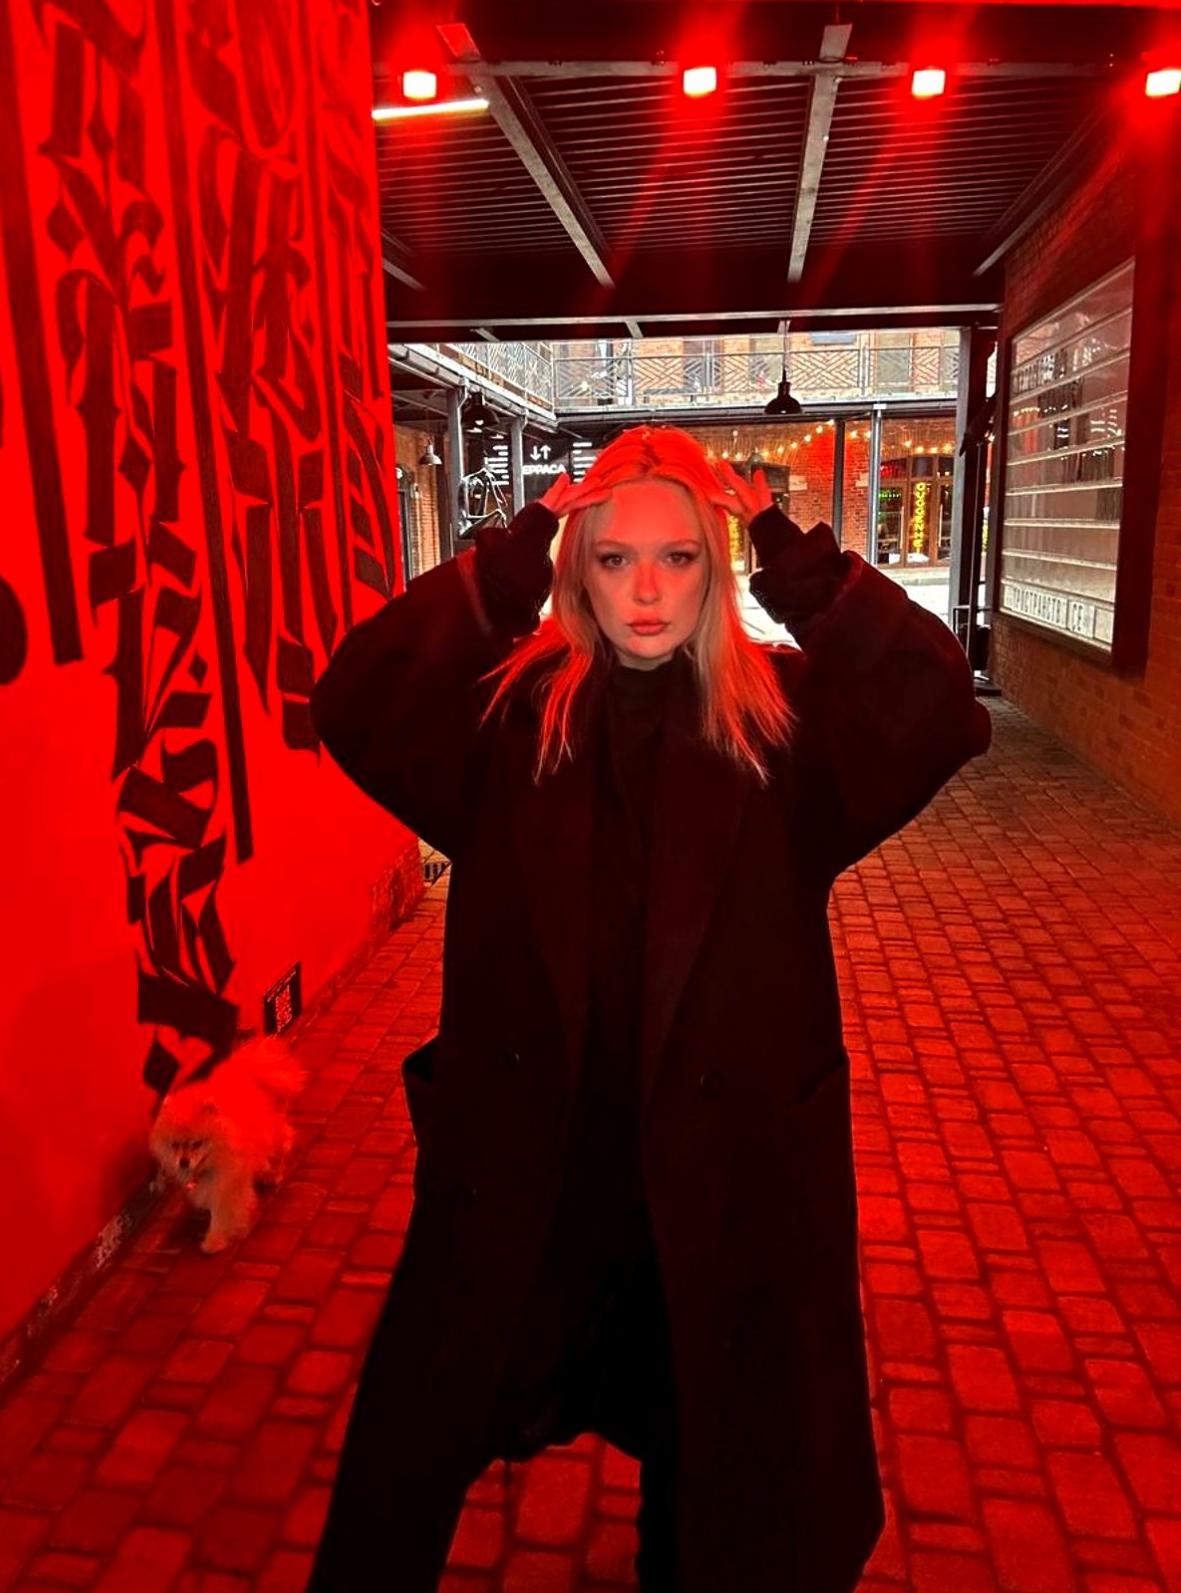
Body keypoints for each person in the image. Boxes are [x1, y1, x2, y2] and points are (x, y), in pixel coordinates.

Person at [306, 423, 992, 1593]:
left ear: (712, 568)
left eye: (676, 557)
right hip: (542, 1165)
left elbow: (937, 706)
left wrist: (793, 556)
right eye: (613, 558)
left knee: (716, 1448)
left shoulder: (779, 726)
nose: (644, 591)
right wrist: (512, 556)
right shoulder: (509, 719)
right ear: (578, 570)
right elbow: (358, 700)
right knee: (416, 1433)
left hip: (719, 1170)